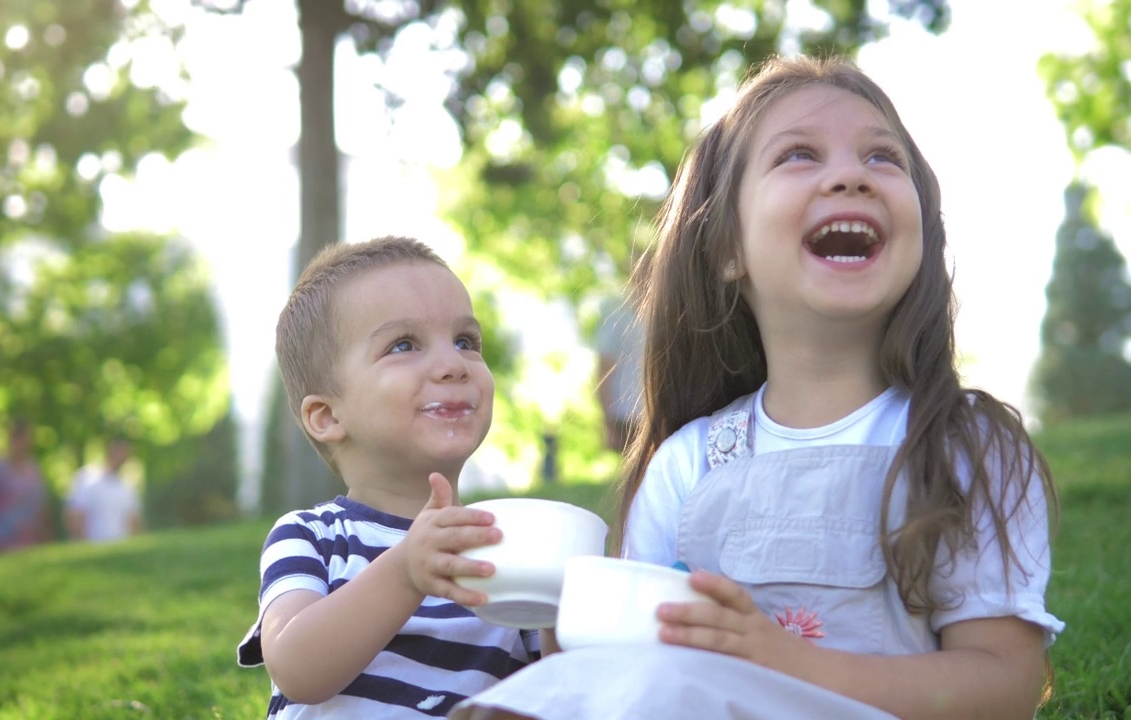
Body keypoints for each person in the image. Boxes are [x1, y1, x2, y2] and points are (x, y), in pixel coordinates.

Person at [451, 54, 1063, 720]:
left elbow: (1004, 687)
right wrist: (553, 621)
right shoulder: (688, 465)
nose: (851, 175)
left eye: (884, 158)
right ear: (726, 250)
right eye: (799, 155)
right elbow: (627, 667)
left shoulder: (960, 446)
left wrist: (789, 663)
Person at [235, 235, 539, 719]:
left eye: (465, 341)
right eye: (403, 345)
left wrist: (568, 612)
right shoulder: (311, 537)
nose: (452, 364)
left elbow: (567, 695)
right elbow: (296, 668)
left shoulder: (504, 548)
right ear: (327, 416)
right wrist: (405, 571)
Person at [0, 419, 51, 552]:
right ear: (12, 439)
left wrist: (45, 537)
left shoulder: (33, 469)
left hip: (29, 541)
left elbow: (40, 507)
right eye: (20, 438)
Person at [65, 436, 141, 543]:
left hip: (121, 549)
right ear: (110, 450)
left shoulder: (127, 487)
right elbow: (75, 516)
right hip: (93, 547)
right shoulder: (87, 478)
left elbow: (133, 522)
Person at [595, 292, 644, 454]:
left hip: (657, 413)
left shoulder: (666, 314)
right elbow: (604, 370)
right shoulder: (618, 318)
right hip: (626, 416)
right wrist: (607, 418)